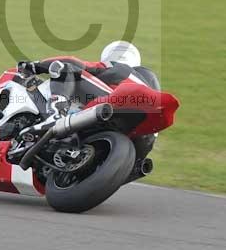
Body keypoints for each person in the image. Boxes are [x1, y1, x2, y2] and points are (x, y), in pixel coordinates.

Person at [16, 40, 159, 162]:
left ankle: (56, 113)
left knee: (63, 68)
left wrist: (34, 66)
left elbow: (73, 62)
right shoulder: (150, 84)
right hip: (144, 142)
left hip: (116, 105)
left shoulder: (119, 67)